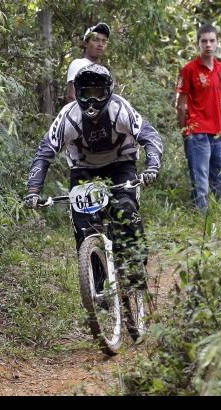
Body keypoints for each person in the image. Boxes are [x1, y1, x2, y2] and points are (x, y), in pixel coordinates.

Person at [25, 64, 163, 286]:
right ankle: (97, 285)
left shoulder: (120, 109)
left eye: (97, 93)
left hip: (121, 164)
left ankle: (136, 264)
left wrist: (152, 166)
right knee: (85, 226)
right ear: (77, 93)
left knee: (125, 209)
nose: (91, 101)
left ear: (108, 92)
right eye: (85, 93)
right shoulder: (69, 117)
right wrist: (33, 190)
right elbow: (44, 153)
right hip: (84, 169)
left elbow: (149, 136)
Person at [176, 23, 221, 211]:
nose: (208, 44)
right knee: (200, 179)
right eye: (204, 41)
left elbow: (217, 99)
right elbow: (181, 104)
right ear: (198, 44)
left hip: (217, 132)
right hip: (197, 131)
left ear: (217, 43)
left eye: (212, 41)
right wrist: (185, 132)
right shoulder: (189, 69)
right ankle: (201, 220)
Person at [66, 23, 110, 103]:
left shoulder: (105, 71)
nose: (100, 44)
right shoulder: (78, 64)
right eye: (96, 40)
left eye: (104, 41)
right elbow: (71, 97)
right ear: (86, 43)